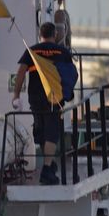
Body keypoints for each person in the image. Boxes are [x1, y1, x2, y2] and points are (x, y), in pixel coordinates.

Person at [12, 21, 77, 185]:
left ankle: (49, 162)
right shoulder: (63, 52)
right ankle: (47, 169)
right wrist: (68, 92)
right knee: (52, 131)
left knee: (40, 128)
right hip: (53, 97)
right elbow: (71, 75)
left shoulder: (32, 51)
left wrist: (16, 95)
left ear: (40, 35)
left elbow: (20, 73)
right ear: (54, 34)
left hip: (35, 96)